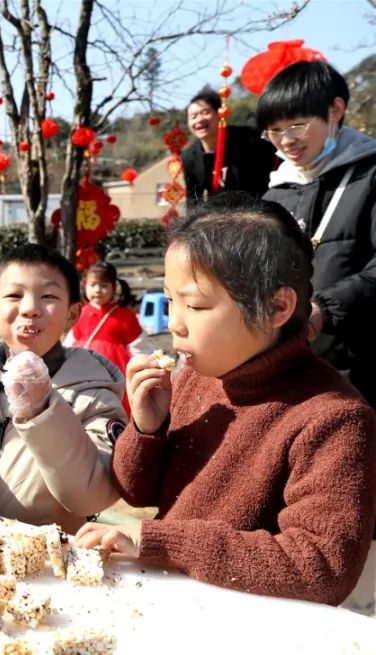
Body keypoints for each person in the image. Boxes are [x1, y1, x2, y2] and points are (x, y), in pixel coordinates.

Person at [75, 194, 376, 606]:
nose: (174, 324)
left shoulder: (334, 417)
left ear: (277, 306)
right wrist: (147, 429)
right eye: (169, 301)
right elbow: (136, 491)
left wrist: (162, 540)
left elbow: (322, 566)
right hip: (174, 601)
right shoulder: (194, 378)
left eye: (196, 305)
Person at [0, 244, 126, 532]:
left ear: (73, 314)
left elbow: (93, 497)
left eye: (49, 296)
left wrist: (43, 411)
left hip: (45, 567)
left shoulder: (93, 398)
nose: (30, 308)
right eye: (15, 295)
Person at [257, 60, 376, 406]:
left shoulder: (369, 176)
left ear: (336, 109)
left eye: (296, 124)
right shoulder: (275, 193)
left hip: (362, 366)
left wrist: (324, 309)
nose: (286, 141)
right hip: (293, 370)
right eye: (274, 131)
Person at [67, 260, 150, 413]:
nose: (97, 290)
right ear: (84, 286)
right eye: (92, 285)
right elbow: (71, 343)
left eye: (103, 285)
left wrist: (143, 369)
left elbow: (139, 346)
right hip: (84, 369)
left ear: (114, 287)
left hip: (115, 372)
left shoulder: (125, 316)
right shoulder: (80, 313)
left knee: (116, 407)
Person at [181, 86, 277, 207]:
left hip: (260, 207)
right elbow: (193, 199)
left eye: (205, 112)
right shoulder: (189, 157)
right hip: (222, 217)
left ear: (219, 114)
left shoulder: (250, 138)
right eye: (193, 116)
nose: (199, 119)